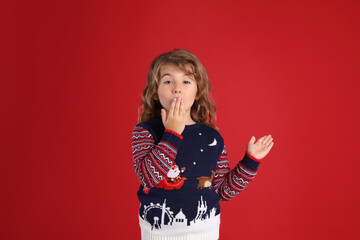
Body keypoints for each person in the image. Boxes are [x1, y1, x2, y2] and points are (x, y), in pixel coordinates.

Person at [131, 49, 274, 240]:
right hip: (157, 233)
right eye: (167, 81)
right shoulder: (145, 131)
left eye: (186, 81)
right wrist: (172, 133)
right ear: (155, 92)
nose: (177, 88)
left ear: (198, 92)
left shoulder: (211, 137)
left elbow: (222, 190)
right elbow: (148, 177)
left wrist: (250, 161)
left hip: (205, 232)